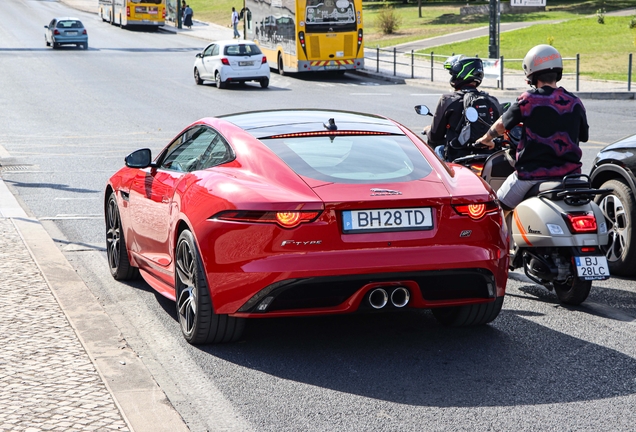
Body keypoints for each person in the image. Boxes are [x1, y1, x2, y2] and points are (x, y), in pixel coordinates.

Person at [476, 44, 589, 214]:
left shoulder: (529, 100)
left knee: (496, 209)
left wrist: (486, 138)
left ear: (531, 73)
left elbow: (502, 124)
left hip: (531, 176)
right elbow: (584, 136)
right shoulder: (574, 101)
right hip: (571, 176)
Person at [425, 55, 501, 161]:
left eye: (453, 73)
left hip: (457, 158)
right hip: (487, 159)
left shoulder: (448, 100)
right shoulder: (492, 100)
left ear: (459, 74)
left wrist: (429, 130)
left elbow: (435, 136)